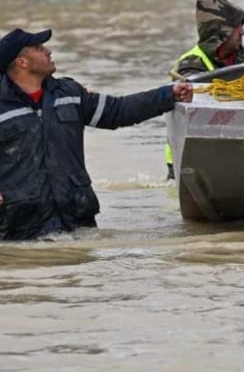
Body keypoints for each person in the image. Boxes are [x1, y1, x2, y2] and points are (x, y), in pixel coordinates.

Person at [0, 28, 193, 241]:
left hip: (78, 224)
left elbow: (118, 111)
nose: (48, 51)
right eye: (38, 48)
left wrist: (167, 94)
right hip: (19, 230)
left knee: (84, 274)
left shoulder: (70, 93)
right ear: (22, 62)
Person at [165, 0, 244, 179]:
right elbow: (196, 108)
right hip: (188, 159)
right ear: (222, 33)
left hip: (233, 151)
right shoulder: (189, 65)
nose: (243, 33)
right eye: (238, 28)